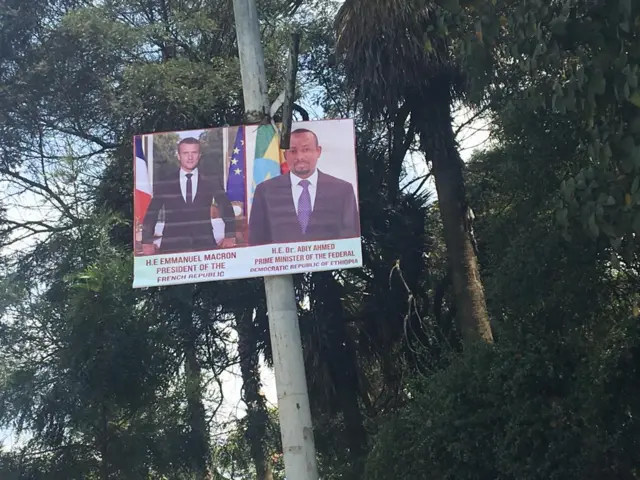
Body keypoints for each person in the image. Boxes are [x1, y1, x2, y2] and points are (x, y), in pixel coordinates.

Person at [248, 128, 360, 245]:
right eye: (293, 151)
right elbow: (256, 241)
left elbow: (350, 239)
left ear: (318, 151)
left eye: (306, 150)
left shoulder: (342, 190)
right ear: (285, 154)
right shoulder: (265, 191)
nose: (300, 157)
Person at [141, 137, 236, 254]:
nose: (190, 157)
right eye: (186, 153)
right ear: (179, 156)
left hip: (205, 245)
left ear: (199, 155)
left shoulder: (211, 180)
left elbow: (225, 206)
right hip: (171, 246)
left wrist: (230, 235)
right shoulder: (166, 182)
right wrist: (147, 241)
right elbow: (152, 212)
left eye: (194, 152)